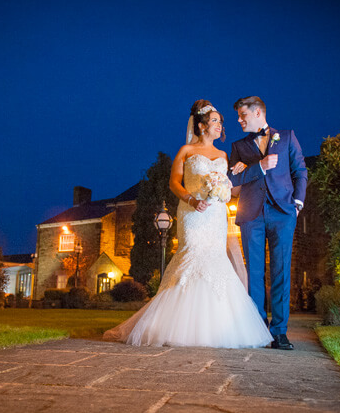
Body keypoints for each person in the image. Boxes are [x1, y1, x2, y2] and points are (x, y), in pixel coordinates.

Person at [103, 100, 272, 348]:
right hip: (192, 213)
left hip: (216, 215)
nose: (220, 125)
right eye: (215, 121)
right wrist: (192, 200)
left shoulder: (224, 156)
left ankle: (216, 329)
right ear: (202, 126)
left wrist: (238, 174)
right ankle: (173, 328)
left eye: (221, 122)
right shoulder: (186, 151)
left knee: (215, 262)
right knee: (191, 256)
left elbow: (232, 190)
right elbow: (174, 183)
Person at [228, 96, 308, 350]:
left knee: (281, 271)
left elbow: (300, 171)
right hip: (251, 214)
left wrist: (297, 203)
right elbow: (232, 180)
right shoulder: (238, 146)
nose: (239, 120)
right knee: (254, 273)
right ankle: (258, 330)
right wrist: (257, 166)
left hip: (282, 213)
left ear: (258, 113)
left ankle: (280, 332)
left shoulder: (287, 137)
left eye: (243, 115)